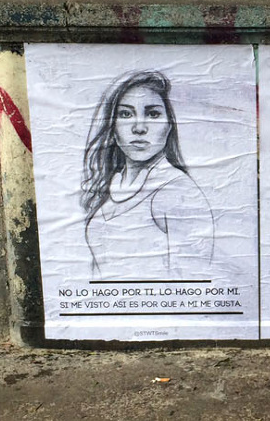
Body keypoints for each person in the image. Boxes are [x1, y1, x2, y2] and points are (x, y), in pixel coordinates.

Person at [81, 70, 214, 277]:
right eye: (126, 114)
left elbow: (194, 281)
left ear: (169, 126)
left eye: (153, 114)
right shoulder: (111, 185)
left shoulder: (177, 190)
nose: (139, 128)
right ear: (112, 126)